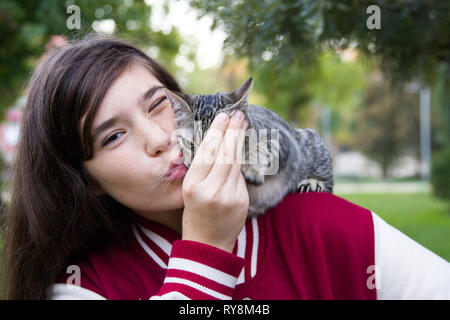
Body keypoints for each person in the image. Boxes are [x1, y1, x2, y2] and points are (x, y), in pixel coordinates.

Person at [1, 36, 449, 300]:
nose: (161, 140)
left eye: (160, 106)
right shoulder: (85, 287)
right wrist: (205, 249)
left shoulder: (320, 223)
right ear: (88, 181)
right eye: (113, 136)